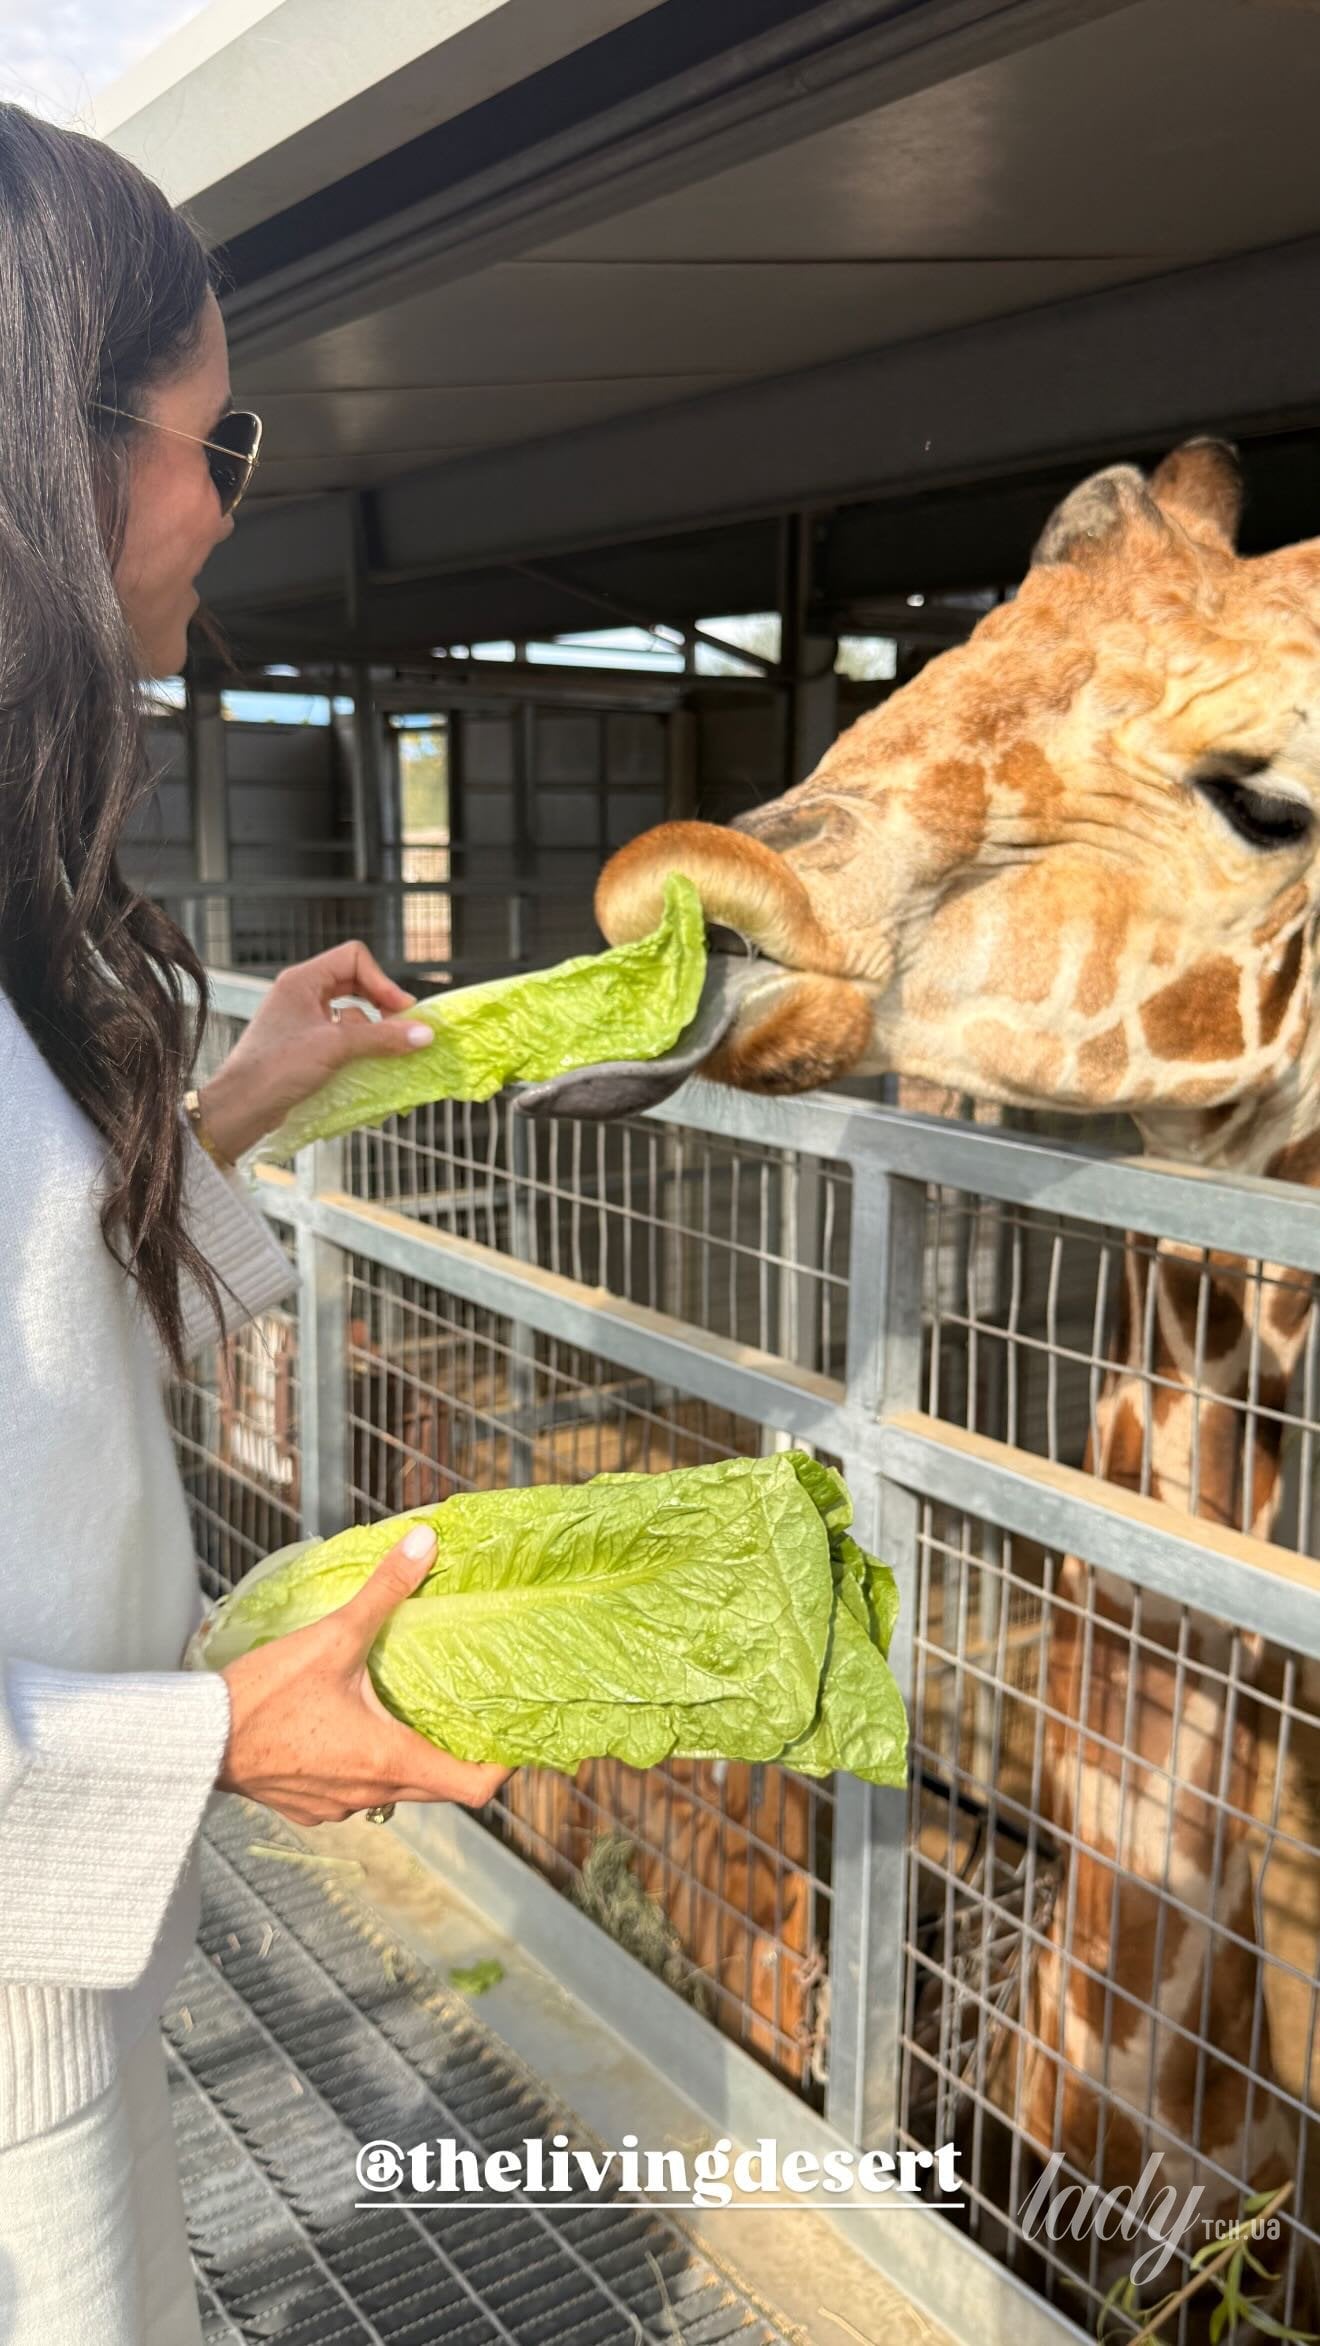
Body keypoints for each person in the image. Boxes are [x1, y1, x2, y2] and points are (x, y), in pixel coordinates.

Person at [0, 102, 511, 2341]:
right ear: (47, 463)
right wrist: (209, 1739)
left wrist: (230, 1113)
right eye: (221, 440)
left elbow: (22, 1349)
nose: (230, 501)